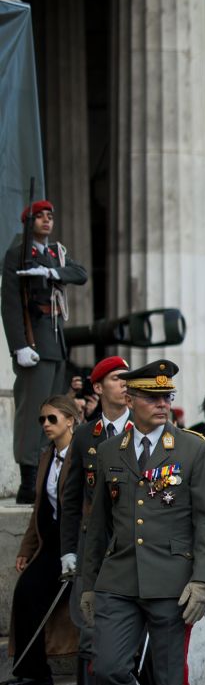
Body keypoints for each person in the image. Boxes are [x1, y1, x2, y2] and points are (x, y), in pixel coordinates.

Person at [77, 360, 205, 685]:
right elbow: (96, 524)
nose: (163, 405)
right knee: (109, 667)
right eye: (153, 398)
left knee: (169, 680)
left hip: (172, 582)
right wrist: (87, 582)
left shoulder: (194, 449)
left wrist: (201, 582)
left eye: (167, 397)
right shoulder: (109, 450)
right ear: (131, 399)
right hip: (118, 577)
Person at [53, 356, 132, 685]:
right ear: (98, 388)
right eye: (117, 379)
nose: (125, 384)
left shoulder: (144, 430)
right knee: (88, 636)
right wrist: (69, 549)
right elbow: (71, 499)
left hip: (135, 547)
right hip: (93, 550)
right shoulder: (85, 435)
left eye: (126, 379)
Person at [4, 201, 89, 501]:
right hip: (35, 340)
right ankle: (28, 478)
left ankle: (44, 473)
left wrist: (52, 272)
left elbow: (80, 273)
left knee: (54, 411)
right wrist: (19, 347)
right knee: (33, 414)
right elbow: (11, 305)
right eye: (39, 217)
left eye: (50, 217)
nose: (46, 221)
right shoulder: (18, 253)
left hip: (55, 340)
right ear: (28, 222)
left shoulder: (56, 253)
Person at [6, 394, 81, 685]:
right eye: (42, 420)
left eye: (52, 418)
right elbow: (39, 507)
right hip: (49, 542)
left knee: (46, 599)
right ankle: (32, 670)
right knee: (25, 593)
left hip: (74, 542)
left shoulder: (82, 454)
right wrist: (27, 549)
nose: (46, 424)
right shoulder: (47, 455)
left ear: (70, 420)